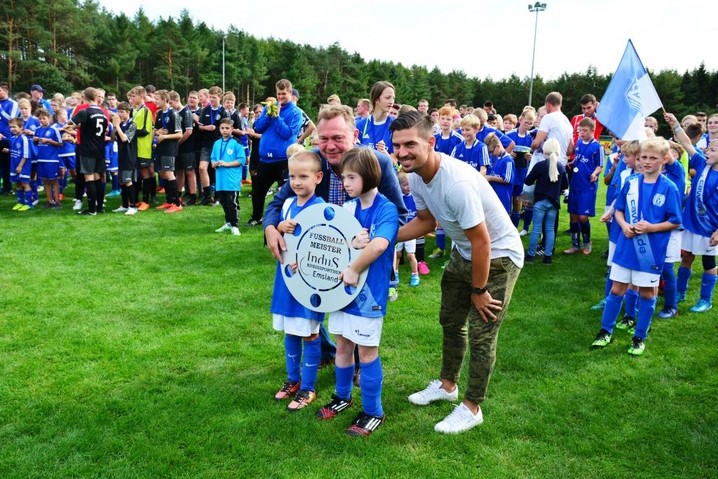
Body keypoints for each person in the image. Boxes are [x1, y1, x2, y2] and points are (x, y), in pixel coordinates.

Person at [392, 110, 523, 434]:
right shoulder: (417, 175)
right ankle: (447, 385)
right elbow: (426, 222)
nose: (402, 152)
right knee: (450, 320)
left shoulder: (456, 183)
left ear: (430, 143)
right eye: (397, 145)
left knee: (482, 335)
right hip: (465, 252)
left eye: (410, 144)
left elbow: (483, 242)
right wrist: (385, 239)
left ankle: (472, 407)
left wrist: (479, 291)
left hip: (498, 257)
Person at [263, 104, 407, 369]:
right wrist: (271, 229)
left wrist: (372, 242)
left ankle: (359, 365)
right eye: (324, 138)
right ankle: (328, 352)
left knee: (358, 316)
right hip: (320, 252)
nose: (329, 146)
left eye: (338, 138)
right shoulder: (312, 162)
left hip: (361, 256)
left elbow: (398, 214)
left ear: (354, 135)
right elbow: (277, 203)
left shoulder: (377, 162)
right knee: (312, 298)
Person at [316, 148, 398, 437]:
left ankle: (373, 411)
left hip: (369, 295)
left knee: (366, 351)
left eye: (352, 177)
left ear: (369, 175)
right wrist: (350, 244)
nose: (346, 183)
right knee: (342, 345)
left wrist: (354, 267)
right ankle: (342, 396)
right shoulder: (348, 208)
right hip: (344, 294)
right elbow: (333, 241)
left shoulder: (386, 208)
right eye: (344, 177)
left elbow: (379, 245)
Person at [591, 138, 682, 355]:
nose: (646, 162)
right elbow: (619, 210)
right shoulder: (631, 182)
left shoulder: (669, 188)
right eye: (643, 157)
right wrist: (623, 226)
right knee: (617, 289)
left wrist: (651, 227)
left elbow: (675, 221)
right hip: (626, 246)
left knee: (648, 294)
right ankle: (605, 331)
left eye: (653, 158)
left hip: (651, 252)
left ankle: (639, 337)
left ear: (664, 160)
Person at [271, 150, 326, 411]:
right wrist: (279, 227)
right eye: (292, 176)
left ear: (318, 177)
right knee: (290, 329)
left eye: (303, 176)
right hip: (286, 280)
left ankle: (308, 387)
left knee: (310, 333)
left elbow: (325, 247)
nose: (296, 182)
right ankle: (293, 380)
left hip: (308, 283)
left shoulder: (322, 209)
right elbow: (281, 237)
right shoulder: (287, 204)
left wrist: (305, 260)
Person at [665, 113, 718, 313]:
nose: (706, 151)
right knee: (686, 256)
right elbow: (686, 143)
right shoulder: (701, 163)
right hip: (691, 222)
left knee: (708, 262)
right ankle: (681, 291)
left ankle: (705, 299)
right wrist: (675, 125)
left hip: (710, 227)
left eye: (712, 150)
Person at [247, 79, 303, 225]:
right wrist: (268, 115)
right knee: (258, 190)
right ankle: (256, 217)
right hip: (265, 159)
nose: (280, 97)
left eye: (284, 94)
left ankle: (286, 218)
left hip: (283, 159)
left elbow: (287, 134)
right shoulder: (269, 107)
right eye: (278, 94)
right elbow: (258, 127)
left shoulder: (296, 112)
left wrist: (277, 118)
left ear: (290, 93)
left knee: (288, 191)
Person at [523, 138, 568, 264]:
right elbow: (565, 185)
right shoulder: (561, 167)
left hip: (540, 201)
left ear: (544, 150)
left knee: (536, 229)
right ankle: (548, 256)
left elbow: (528, 181)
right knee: (550, 229)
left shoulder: (540, 165)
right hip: (553, 202)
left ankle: (530, 255)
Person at [67, 87, 109, 216]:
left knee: (89, 178)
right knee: (98, 177)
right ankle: (99, 206)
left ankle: (91, 210)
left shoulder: (84, 112)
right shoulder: (103, 112)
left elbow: (69, 124)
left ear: (84, 98)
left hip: (87, 149)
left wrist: (73, 127)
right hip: (100, 149)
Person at [565, 118, 604, 255]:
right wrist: (573, 163)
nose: (581, 133)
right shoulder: (579, 142)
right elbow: (578, 158)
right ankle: (575, 245)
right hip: (575, 183)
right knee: (573, 215)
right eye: (580, 131)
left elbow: (600, 165)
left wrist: (594, 173)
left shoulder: (597, 147)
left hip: (587, 186)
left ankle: (587, 243)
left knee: (583, 216)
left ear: (593, 130)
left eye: (584, 131)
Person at [211, 118, 246, 236]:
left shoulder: (236, 143)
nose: (224, 130)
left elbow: (242, 160)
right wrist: (214, 163)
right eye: (222, 128)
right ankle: (228, 222)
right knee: (223, 201)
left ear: (232, 129)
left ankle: (235, 225)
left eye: (227, 128)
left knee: (232, 202)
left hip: (232, 179)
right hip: (220, 179)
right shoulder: (217, 143)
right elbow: (213, 157)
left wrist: (227, 164)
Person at [197, 86, 229, 205]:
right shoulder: (206, 109)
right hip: (206, 144)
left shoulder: (224, 111)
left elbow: (228, 128)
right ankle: (207, 196)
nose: (211, 100)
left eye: (214, 97)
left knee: (218, 169)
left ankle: (218, 196)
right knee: (202, 168)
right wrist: (207, 127)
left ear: (220, 97)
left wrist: (221, 130)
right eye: (210, 97)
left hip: (219, 145)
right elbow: (200, 126)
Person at [153, 89, 183, 213]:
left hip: (169, 148)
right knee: (162, 173)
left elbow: (179, 134)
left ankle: (177, 203)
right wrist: (158, 132)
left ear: (164, 100)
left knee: (169, 173)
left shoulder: (173, 114)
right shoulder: (159, 113)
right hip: (160, 148)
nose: (155, 101)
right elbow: (156, 130)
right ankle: (169, 201)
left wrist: (164, 136)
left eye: (157, 99)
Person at [168, 90, 197, 206]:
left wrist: (178, 142)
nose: (169, 105)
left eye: (171, 103)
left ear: (177, 100)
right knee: (178, 171)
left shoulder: (186, 112)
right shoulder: (173, 113)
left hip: (187, 147)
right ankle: (178, 195)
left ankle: (193, 196)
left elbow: (189, 131)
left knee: (189, 171)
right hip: (177, 148)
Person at [128, 86, 154, 211]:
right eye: (131, 96)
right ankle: (136, 200)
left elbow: (145, 130)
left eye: (134, 96)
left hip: (143, 147)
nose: (132, 98)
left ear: (142, 96)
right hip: (134, 148)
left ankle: (146, 200)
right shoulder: (134, 110)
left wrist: (129, 133)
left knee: (145, 173)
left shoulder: (146, 111)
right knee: (136, 174)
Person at [111, 102, 139, 215]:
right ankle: (124, 205)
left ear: (128, 112)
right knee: (122, 182)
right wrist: (115, 127)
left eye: (122, 112)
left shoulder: (133, 124)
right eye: (118, 112)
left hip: (129, 156)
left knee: (127, 181)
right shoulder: (121, 124)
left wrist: (117, 126)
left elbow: (124, 139)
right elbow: (113, 137)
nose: (119, 114)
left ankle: (133, 206)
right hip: (121, 155)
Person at [394, 170, 420, 287]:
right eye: (405, 185)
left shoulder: (415, 198)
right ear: (399, 185)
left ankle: (415, 275)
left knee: (410, 255)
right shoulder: (397, 199)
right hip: (399, 230)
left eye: (409, 184)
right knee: (397, 254)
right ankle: (395, 273)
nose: (408, 187)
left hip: (411, 231)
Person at [33, 108, 63, 208]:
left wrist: (48, 140)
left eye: (44, 118)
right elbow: (35, 143)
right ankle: (50, 201)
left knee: (53, 180)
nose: (42, 120)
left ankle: (57, 201)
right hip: (41, 158)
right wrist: (35, 140)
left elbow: (60, 143)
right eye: (40, 119)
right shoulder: (37, 130)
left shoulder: (53, 129)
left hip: (51, 159)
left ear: (48, 118)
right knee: (45, 180)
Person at [356, 81, 396, 155]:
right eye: (387, 98)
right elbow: (356, 155)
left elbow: (397, 160)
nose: (391, 102)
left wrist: (385, 155)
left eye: (393, 98)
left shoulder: (396, 125)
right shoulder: (361, 125)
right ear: (376, 99)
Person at [484, 133, 515, 214]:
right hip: (492, 196)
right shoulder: (493, 158)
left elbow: (507, 179)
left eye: (491, 151)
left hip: (503, 198)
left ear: (497, 146)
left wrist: (490, 178)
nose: (491, 154)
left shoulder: (508, 160)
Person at [7, 117, 33, 210]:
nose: (12, 129)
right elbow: (15, 151)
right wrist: (8, 150)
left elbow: (25, 154)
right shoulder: (13, 138)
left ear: (21, 127)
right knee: (17, 183)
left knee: (24, 183)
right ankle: (20, 202)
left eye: (14, 127)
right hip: (14, 164)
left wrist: (20, 166)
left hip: (23, 165)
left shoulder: (24, 139)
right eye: (11, 127)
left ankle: (29, 204)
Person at [0, 82, 20, 195]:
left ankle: (7, 188)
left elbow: (12, 120)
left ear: (5, 91)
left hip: (7, 137)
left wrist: (1, 110)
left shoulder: (13, 103)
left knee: (6, 164)